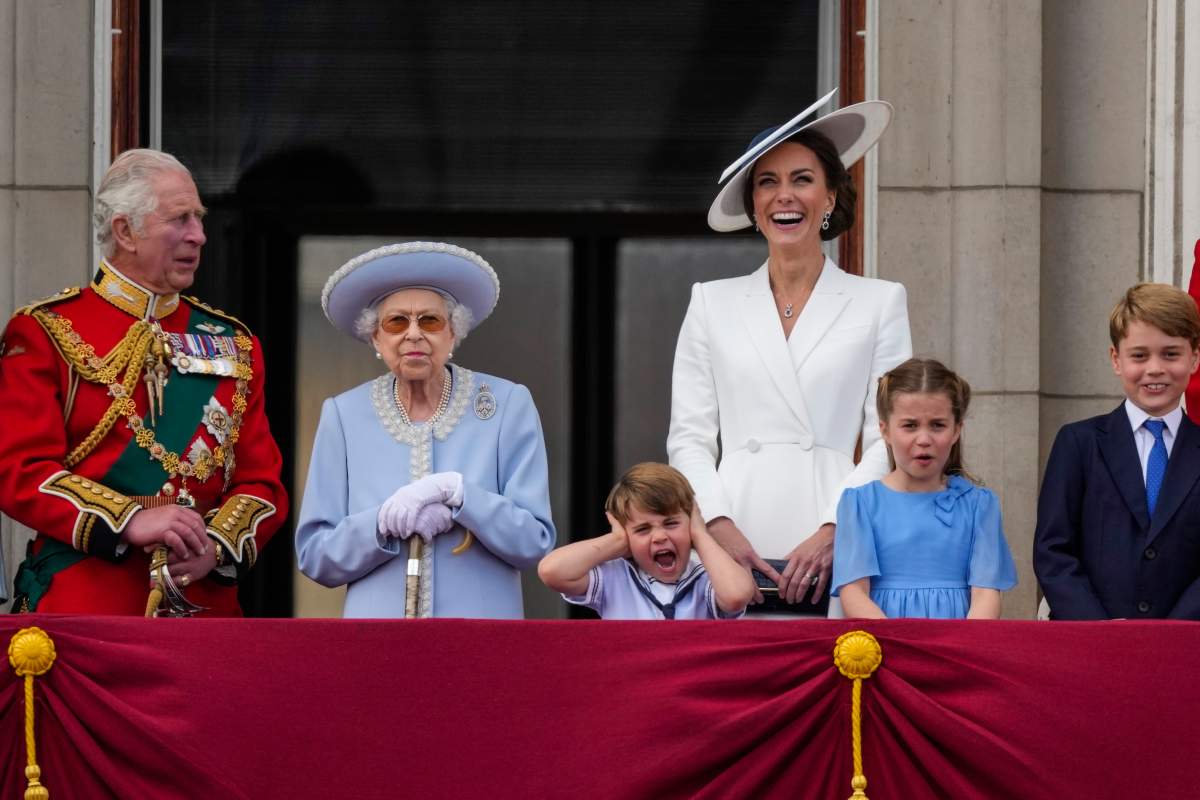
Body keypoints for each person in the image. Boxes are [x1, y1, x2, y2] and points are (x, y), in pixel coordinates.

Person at [0, 148, 288, 615]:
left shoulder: (235, 342)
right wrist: (130, 520)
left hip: (204, 607)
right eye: (180, 219)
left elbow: (262, 483)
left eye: (199, 218)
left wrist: (215, 546)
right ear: (125, 231)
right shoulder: (46, 331)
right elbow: (21, 471)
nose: (198, 235)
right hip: (87, 604)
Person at [668, 90, 912, 615]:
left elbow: (888, 437)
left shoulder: (880, 301)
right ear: (753, 205)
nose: (785, 196)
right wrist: (715, 524)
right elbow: (688, 438)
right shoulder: (711, 302)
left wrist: (835, 529)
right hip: (733, 532)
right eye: (768, 183)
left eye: (802, 180)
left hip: (835, 528)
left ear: (829, 198)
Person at [294, 242, 556, 618]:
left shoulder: (506, 404)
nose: (413, 334)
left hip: (480, 639)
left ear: (453, 334)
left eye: (430, 321)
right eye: (396, 322)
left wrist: (463, 497)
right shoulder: (344, 415)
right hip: (376, 641)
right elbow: (316, 556)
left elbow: (534, 541)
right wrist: (381, 522)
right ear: (376, 339)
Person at [1035, 283, 1200, 619]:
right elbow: (1053, 550)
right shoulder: (1078, 443)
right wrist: (1102, 629)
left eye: (1171, 354)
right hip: (1093, 641)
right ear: (1116, 359)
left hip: (1186, 644)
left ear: (1194, 357)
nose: (1155, 368)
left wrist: (1173, 630)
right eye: (1139, 355)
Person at [831, 359, 1017, 619]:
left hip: (956, 648)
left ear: (956, 430)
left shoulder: (979, 504)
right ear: (885, 430)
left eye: (937, 425)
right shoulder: (859, 503)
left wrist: (958, 650)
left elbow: (986, 595)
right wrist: (897, 649)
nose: (924, 439)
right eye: (910, 425)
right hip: (884, 646)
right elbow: (854, 593)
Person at [537, 462, 755, 620]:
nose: (660, 537)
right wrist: (616, 542)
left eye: (671, 524)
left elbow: (736, 596)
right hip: (633, 682)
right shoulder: (615, 578)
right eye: (642, 529)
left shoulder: (707, 577)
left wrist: (700, 534)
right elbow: (552, 571)